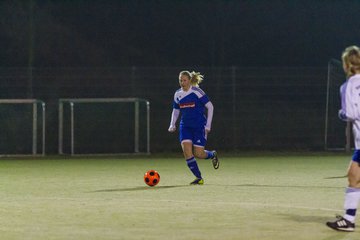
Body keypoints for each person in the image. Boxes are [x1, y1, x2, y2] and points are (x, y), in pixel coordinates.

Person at [326, 46, 360, 232]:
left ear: (347, 65)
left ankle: (348, 220)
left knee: (354, 177)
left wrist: (341, 113)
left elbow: (350, 113)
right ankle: (348, 219)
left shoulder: (348, 86)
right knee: (354, 176)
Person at [168, 70, 219, 185]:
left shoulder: (197, 92)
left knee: (199, 154)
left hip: (199, 126)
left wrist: (208, 124)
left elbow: (210, 107)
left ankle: (212, 154)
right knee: (187, 152)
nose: (182, 82)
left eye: (184, 80)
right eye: (180, 80)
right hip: (185, 126)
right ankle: (198, 177)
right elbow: (176, 110)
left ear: (190, 80)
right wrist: (172, 124)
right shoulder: (178, 94)